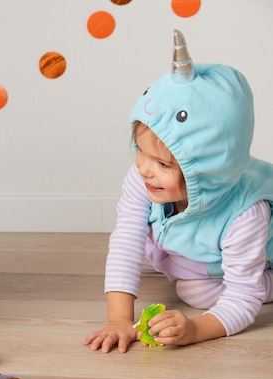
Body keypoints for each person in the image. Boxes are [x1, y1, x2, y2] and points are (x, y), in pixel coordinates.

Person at [83, 30, 273, 353]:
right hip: (180, 240)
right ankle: (171, 257)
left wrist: (194, 329)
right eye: (139, 151)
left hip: (224, 259)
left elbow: (242, 298)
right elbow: (127, 234)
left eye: (162, 164)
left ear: (207, 172)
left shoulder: (246, 213)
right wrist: (119, 319)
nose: (143, 168)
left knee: (193, 292)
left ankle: (265, 280)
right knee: (134, 251)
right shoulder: (144, 176)